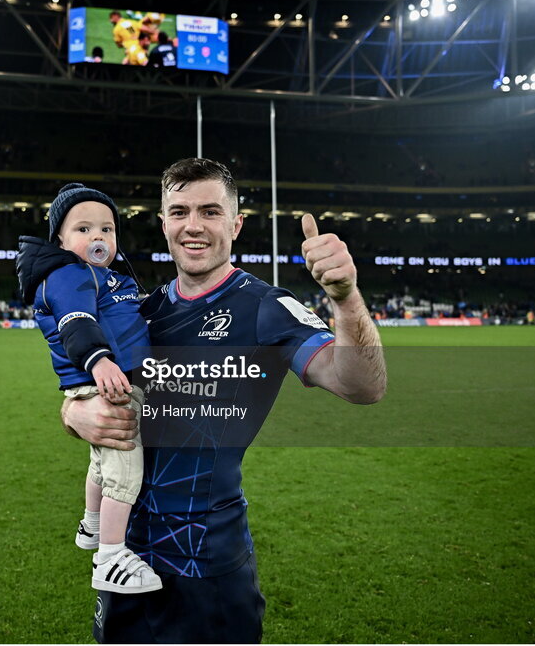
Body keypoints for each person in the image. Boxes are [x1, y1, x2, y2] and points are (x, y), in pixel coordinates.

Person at [61, 158, 387, 642]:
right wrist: (74, 413)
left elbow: (363, 385)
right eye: (180, 212)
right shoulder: (138, 313)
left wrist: (345, 297)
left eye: (210, 212)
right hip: (125, 561)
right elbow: (82, 394)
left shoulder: (266, 309)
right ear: (164, 223)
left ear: (235, 224)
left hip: (208, 565)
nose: (193, 226)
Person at [16, 184, 162, 595]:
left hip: (110, 379)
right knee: (124, 468)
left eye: (107, 229)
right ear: (59, 241)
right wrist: (99, 360)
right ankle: (110, 556)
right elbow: (76, 323)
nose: (98, 237)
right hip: (105, 382)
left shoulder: (110, 277)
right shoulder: (67, 275)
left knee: (100, 464)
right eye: (83, 229)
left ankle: (93, 524)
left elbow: (133, 312)